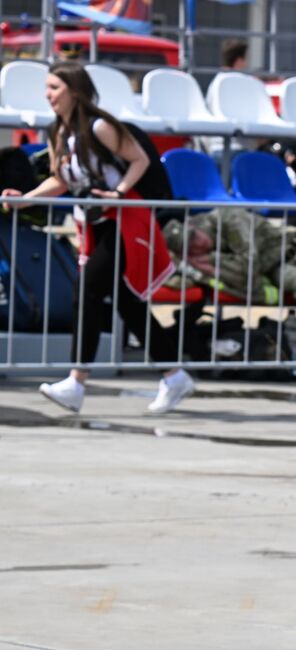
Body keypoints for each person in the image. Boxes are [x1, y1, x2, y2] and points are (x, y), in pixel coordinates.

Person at [5, 62, 192, 415]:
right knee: (127, 301)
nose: (48, 95)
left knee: (87, 289)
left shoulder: (100, 127)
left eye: (55, 88)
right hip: (97, 224)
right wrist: (25, 198)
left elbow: (139, 160)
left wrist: (118, 193)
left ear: (76, 91)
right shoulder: (59, 132)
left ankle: (76, 382)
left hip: (125, 220)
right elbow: (61, 180)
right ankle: (174, 375)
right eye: (47, 87)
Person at [161, 207, 296, 358]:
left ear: (193, 226)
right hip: (275, 267)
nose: (198, 243)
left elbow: (248, 265)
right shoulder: (195, 258)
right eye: (191, 247)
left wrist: (211, 260)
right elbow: (243, 275)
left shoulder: (228, 218)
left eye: (194, 236)